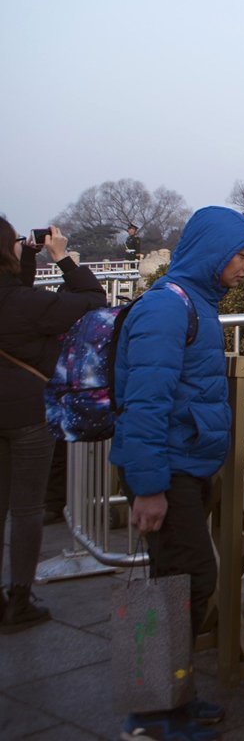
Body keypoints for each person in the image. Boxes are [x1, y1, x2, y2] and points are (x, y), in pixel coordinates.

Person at [112, 205, 244, 740]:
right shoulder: (168, 309)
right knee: (188, 581)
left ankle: (171, 699)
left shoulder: (192, 302)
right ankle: (154, 713)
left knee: (176, 582)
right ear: (212, 251)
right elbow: (145, 403)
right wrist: (149, 487)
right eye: (241, 255)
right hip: (168, 470)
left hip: (184, 465)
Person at [0, 220, 106, 633]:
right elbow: (92, 299)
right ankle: (20, 599)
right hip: (27, 413)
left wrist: (25, 258)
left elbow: (14, 298)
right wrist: (60, 258)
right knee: (26, 508)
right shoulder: (25, 304)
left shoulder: (16, 299)